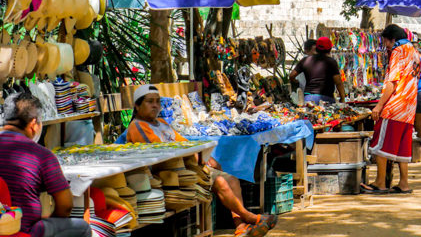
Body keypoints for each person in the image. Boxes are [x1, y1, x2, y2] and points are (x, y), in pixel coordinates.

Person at [126, 85, 275, 237]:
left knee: (231, 178)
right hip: (168, 175)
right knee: (220, 182)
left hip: (184, 168)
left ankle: (241, 226)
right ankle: (249, 217)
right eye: (150, 102)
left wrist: (204, 156)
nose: (155, 105)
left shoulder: (162, 124)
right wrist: (197, 158)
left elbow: (184, 142)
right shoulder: (138, 127)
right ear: (137, 105)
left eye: (157, 101)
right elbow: (161, 153)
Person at [0, 93, 91, 237]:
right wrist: (48, 222)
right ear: (33, 124)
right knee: (84, 228)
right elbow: (66, 205)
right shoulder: (41, 155)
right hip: (26, 230)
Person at [365, 24, 419, 194]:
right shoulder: (414, 51)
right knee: (403, 148)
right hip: (409, 107)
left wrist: (379, 105)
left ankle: (380, 182)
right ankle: (404, 183)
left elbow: (392, 82)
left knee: (379, 146)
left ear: (392, 39)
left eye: (386, 42)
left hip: (395, 107)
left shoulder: (398, 51)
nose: (386, 46)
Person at [288, 36, 343, 104]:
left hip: (309, 98)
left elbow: (291, 75)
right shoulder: (331, 62)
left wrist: (295, 81)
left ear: (317, 48)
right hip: (326, 98)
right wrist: (342, 99)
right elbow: (338, 82)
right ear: (330, 49)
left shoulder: (305, 60)